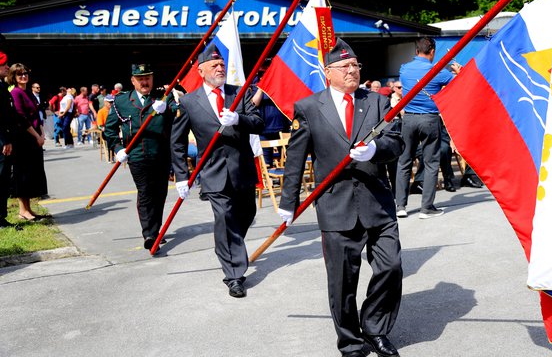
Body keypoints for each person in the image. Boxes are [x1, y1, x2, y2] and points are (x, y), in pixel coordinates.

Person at [278, 39, 404, 357]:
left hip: (377, 201)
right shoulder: (309, 107)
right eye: (345, 66)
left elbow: (396, 141)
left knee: (391, 267)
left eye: (356, 65)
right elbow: (295, 158)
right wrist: (288, 202)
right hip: (336, 204)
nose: (352, 70)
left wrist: (375, 149)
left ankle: (375, 328)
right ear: (328, 72)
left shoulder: (376, 102)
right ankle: (350, 341)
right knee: (343, 281)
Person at [171, 46, 263, 298]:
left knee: (245, 215)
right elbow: (177, 141)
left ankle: (229, 246)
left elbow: (258, 123)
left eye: (222, 64)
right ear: (201, 71)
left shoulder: (240, 93)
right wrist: (181, 176)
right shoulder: (190, 101)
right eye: (214, 66)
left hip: (242, 169)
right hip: (212, 173)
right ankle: (234, 275)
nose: (220, 68)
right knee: (225, 218)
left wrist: (238, 119)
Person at [104, 64, 177, 251]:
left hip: (161, 154)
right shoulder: (122, 101)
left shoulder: (162, 96)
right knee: (145, 192)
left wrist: (167, 110)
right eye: (140, 79)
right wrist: (118, 148)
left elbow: (178, 117)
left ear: (152, 79)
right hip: (137, 154)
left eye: (148, 78)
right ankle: (149, 234)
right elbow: (110, 129)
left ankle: (156, 229)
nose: (145, 82)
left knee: (160, 193)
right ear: (133, 81)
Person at [395, 36, 460, 218]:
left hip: (408, 119)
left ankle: (400, 206)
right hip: (430, 119)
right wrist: (457, 72)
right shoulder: (438, 70)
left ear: (416, 51)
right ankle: (426, 208)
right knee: (431, 163)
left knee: (404, 162)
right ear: (432, 51)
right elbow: (457, 85)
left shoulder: (404, 69)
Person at [8, 64, 48, 221]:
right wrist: (36, 136)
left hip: (35, 138)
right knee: (23, 174)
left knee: (32, 174)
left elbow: (37, 116)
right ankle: (22, 210)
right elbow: (21, 118)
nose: (23, 76)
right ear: (14, 76)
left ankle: (29, 209)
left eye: (25, 73)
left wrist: (42, 134)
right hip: (24, 139)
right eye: (19, 74)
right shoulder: (16, 92)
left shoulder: (29, 92)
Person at [0, 50, 19, 228]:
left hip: (5, 138)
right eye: (3, 64)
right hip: (1, 141)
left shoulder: (2, 86)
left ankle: (1, 217)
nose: (7, 66)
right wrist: (4, 140)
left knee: (4, 177)